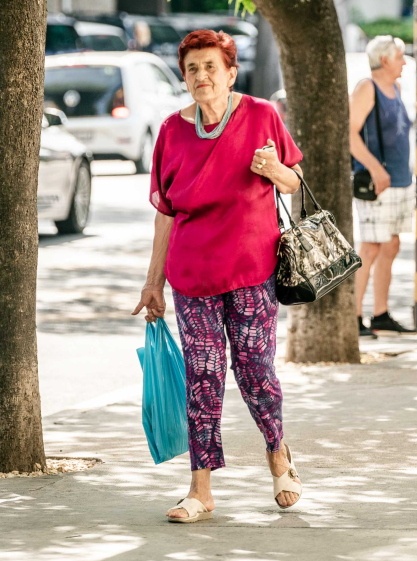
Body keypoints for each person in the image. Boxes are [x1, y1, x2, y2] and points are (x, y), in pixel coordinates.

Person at [133, 30, 305, 523]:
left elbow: (294, 182)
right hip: (193, 277)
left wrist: (273, 168)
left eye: (211, 66)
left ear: (231, 72)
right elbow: (165, 211)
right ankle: (200, 489)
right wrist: (153, 282)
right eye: (192, 68)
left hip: (251, 272)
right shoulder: (170, 130)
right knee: (202, 379)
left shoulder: (260, 115)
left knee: (255, 374)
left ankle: (277, 455)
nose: (201, 76)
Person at [350, 35, 416, 337]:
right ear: (386, 59)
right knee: (371, 247)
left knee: (391, 245)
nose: (404, 62)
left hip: (399, 181)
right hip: (376, 182)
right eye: (401, 56)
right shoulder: (367, 88)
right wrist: (375, 168)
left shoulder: (397, 87)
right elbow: (349, 134)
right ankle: (353, 317)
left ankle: (380, 314)